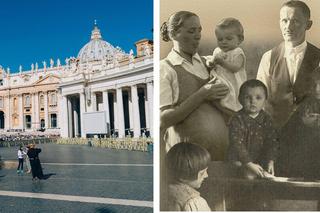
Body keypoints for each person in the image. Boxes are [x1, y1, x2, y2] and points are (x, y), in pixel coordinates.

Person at [160, 11, 230, 160]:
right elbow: (163, 120)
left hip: (221, 155)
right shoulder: (165, 68)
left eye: (199, 30)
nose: (198, 35)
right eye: (191, 31)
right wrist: (202, 94)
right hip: (188, 160)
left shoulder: (209, 63)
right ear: (174, 34)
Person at [256, 0, 320, 128]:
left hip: (312, 137)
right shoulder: (269, 58)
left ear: (308, 24)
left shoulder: (318, 58)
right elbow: (260, 101)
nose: (288, 27)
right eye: (284, 21)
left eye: (295, 21)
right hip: (276, 134)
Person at [228, 80, 279, 178]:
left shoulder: (267, 119)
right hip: (240, 161)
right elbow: (237, 144)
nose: (253, 101)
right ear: (240, 99)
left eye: (258, 98)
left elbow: (273, 142)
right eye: (248, 97)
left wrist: (271, 161)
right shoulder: (237, 119)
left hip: (260, 161)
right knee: (249, 176)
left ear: (265, 100)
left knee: (271, 174)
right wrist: (248, 163)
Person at [279, 68, 320, 179]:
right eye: (314, 85)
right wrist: (304, 122)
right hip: (303, 150)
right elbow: (289, 130)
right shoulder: (306, 102)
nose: (317, 89)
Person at [206, 18, 247, 113]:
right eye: (220, 39)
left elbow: (235, 68)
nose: (224, 42)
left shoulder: (238, 52)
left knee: (233, 98)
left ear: (240, 39)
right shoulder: (217, 51)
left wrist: (222, 62)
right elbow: (213, 63)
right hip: (221, 80)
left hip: (234, 82)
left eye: (228, 39)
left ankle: (231, 111)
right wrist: (211, 63)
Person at [166, 142, 211, 211]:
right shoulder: (193, 202)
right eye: (202, 173)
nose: (206, 175)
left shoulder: (164, 190)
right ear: (184, 176)